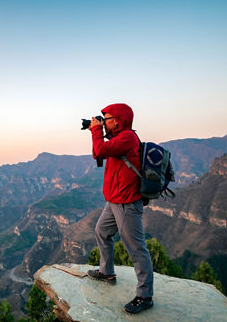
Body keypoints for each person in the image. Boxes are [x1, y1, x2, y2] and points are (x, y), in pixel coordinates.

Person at [87, 103, 154, 314]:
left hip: (126, 203)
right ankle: (107, 272)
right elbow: (98, 154)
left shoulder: (127, 138)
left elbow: (100, 149)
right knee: (101, 231)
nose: (103, 121)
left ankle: (145, 296)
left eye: (106, 118)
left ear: (117, 119)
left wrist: (96, 131)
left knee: (136, 249)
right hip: (114, 201)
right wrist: (98, 131)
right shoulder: (117, 138)